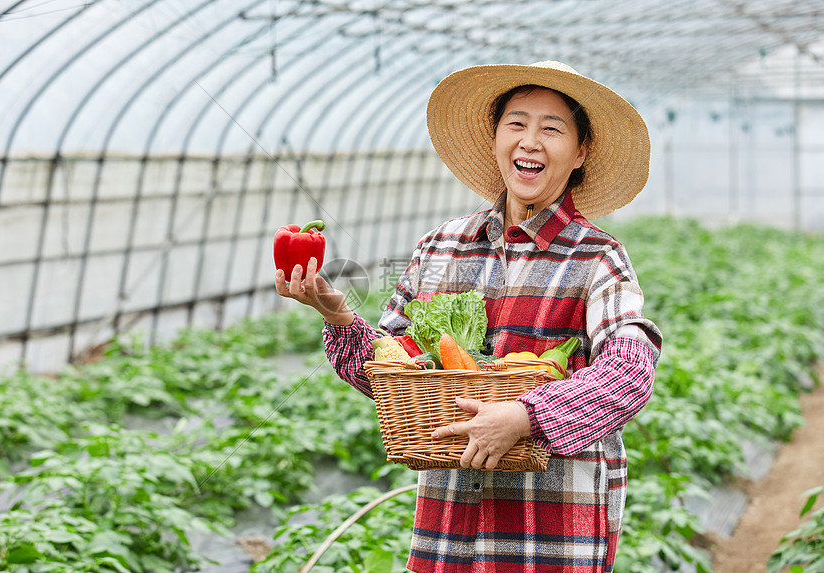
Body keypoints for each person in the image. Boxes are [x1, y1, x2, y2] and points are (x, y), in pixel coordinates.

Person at [275, 61, 663, 573]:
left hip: (547, 534)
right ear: (495, 138)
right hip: (448, 528)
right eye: (516, 124)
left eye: (552, 128)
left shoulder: (597, 258)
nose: (530, 141)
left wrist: (526, 417)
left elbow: (630, 372)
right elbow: (394, 371)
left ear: (580, 151)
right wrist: (342, 318)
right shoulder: (441, 247)